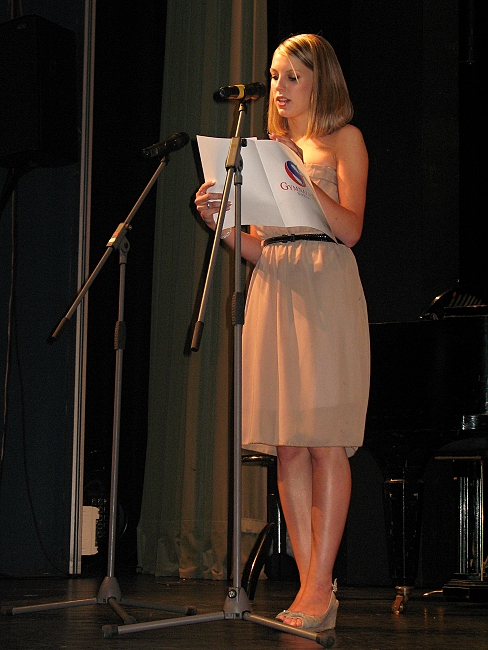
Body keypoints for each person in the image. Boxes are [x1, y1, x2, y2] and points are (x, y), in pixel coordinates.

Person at [195, 33, 370, 632]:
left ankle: (322, 585)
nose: (279, 87)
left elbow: (351, 228)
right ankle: (308, 584)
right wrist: (221, 225)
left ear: (321, 80)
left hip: (325, 282)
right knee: (289, 443)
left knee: (325, 440)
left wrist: (300, 174)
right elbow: (261, 246)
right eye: (274, 76)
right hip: (275, 281)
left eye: (292, 76)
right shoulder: (265, 151)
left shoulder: (344, 140)